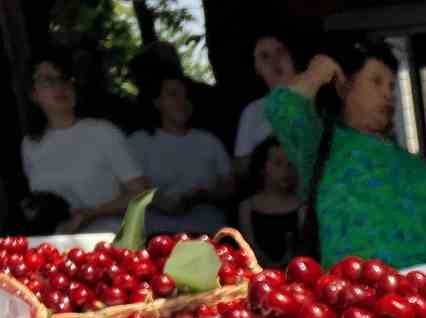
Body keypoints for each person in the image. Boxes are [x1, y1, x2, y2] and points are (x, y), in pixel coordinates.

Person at [268, 39, 426, 272]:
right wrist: (316, 73)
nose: (388, 94)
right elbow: (284, 108)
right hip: (362, 298)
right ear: (344, 87)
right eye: (376, 82)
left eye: (391, 86)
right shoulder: (321, 147)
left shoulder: (411, 161)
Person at [20, 51, 151, 234]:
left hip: (109, 247)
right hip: (55, 251)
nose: (60, 86)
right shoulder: (30, 144)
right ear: (33, 93)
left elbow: (141, 193)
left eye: (65, 79)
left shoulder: (104, 132)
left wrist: (93, 213)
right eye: (48, 80)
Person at [131, 73, 234, 235]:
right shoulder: (140, 142)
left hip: (207, 235)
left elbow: (230, 187)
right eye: (173, 94)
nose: (182, 101)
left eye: (187, 96)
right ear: (157, 102)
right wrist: (162, 202)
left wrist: (204, 195)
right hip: (158, 237)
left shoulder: (209, 141)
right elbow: (130, 188)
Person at [237, 138, 303, 267]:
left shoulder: (302, 208)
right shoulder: (247, 207)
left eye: (290, 164)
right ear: (262, 168)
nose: (286, 170)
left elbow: (302, 250)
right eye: (278, 164)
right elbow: (248, 247)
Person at [235, 34, 297, 167]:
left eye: (280, 51)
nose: (275, 61)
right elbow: (242, 168)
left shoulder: (319, 99)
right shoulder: (252, 112)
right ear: (257, 68)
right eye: (265, 56)